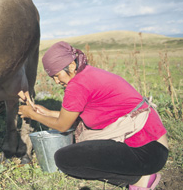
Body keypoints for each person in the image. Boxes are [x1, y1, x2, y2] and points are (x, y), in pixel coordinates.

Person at [18, 41, 168, 190]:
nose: (56, 81)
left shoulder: (77, 85)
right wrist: (47, 112)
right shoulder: (87, 73)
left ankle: (140, 178)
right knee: (81, 151)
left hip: (145, 152)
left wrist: (32, 114)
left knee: (65, 159)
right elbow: (71, 116)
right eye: (53, 78)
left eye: (57, 75)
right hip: (155, 146)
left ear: (71, 66)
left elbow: (63, 125)